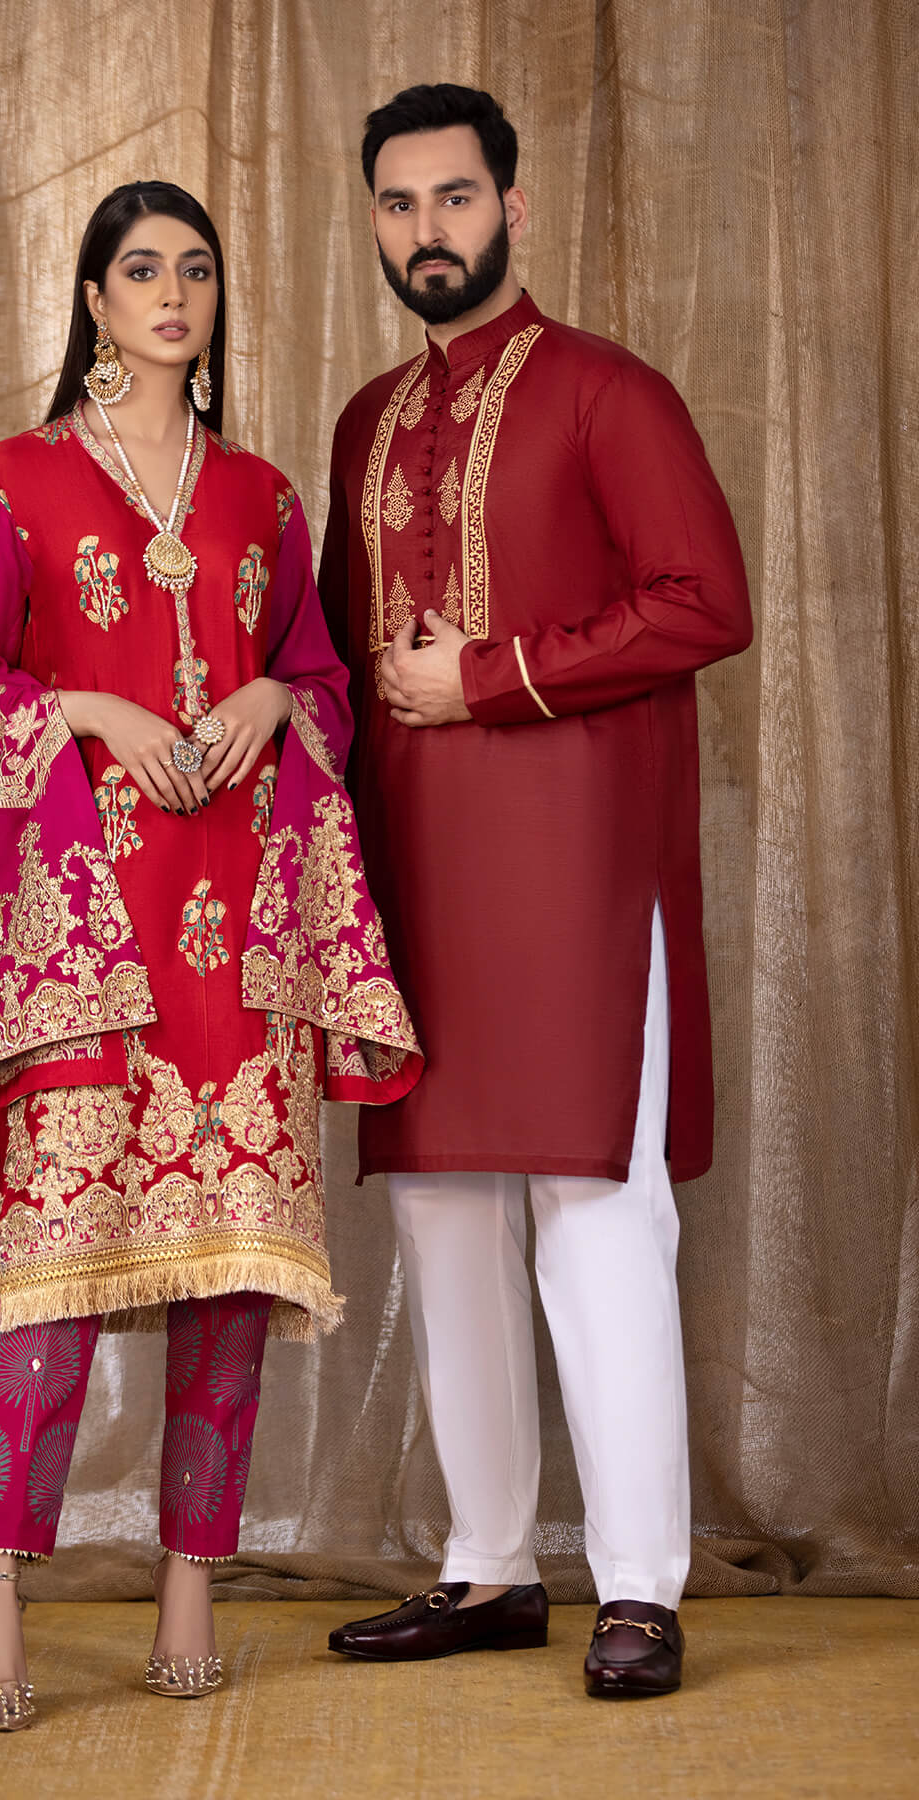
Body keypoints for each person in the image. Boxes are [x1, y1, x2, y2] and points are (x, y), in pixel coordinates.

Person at [0, 180, 420, 1729]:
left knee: (228, 1277)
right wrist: (85, 709)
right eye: (142, 269)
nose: (173, 293)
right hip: (89, 934)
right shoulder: (17, 484)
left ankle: (191, 1580)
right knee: (54, 1273)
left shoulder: (264, 496)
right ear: (94, 298)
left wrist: (273, 697)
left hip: (236, 934)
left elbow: (325, 688)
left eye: (196, 269)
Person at [319, 85, 752, 1698]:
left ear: (513, 204)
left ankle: (639, 1588)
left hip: (577, 877)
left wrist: (492, 672)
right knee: (440, 1217)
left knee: (595, 1210)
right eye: (398, 203)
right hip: (414, 876)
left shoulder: (605, 394)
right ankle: (490, 1566)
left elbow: (706, 600)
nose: (426, 228)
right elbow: (339, 659)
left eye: (454, 196)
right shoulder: (367, 423)